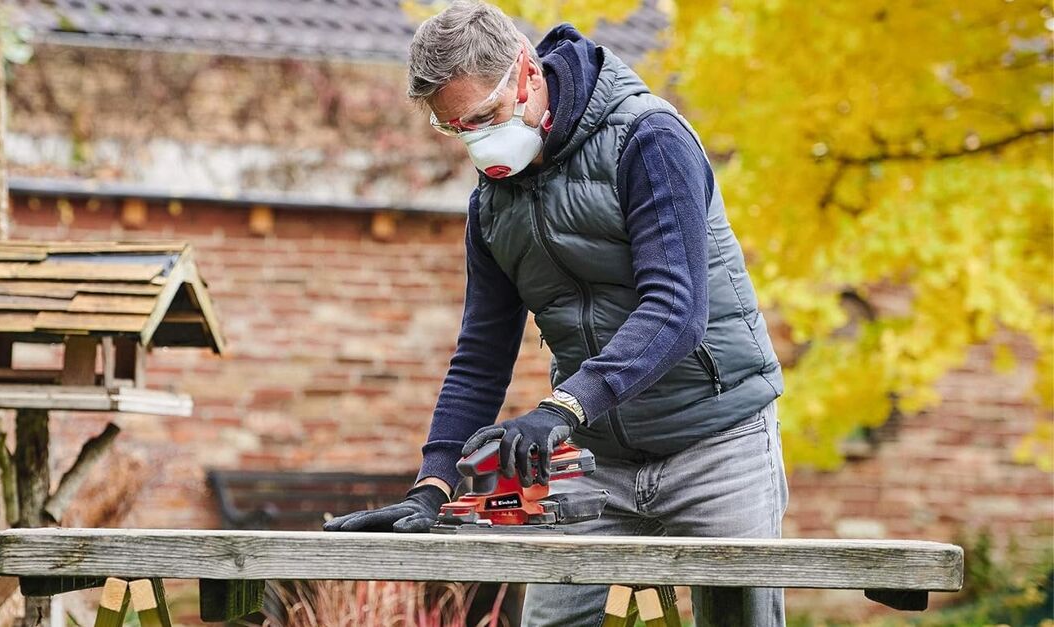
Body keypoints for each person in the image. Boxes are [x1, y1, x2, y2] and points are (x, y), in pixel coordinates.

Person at [323, 2, 788, 624]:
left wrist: (561, 409)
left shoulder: (647, 138)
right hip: (594, 462)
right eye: (456, 128)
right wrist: (432, 487)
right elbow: (481, 357)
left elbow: (676, 311)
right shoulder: (490, 207)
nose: (478, 141)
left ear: (527, 72)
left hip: (714, 441)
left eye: (485, 117)